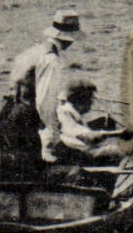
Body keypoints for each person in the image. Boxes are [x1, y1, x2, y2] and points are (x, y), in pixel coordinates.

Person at [6, 9, 83, 161]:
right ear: (68, 39)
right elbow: (45, 104)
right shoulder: (52, 61)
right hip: (26, 119)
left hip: (7, 114)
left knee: (13, 167)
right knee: (37, 167)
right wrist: (55, 138)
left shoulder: (31, 52)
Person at [52, 79, 127, 164]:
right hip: (83, 152)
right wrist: (117, 133)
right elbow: (86, 136)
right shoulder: (65, 111)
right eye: (90, 98)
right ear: (81, 99)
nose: (91, 102)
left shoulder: (69, 111)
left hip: (82, 149)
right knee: (126, 151)